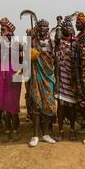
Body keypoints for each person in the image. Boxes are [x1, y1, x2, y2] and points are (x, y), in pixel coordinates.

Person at [0, 17, 22, 143]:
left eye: (3, 29)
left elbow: (22, 63)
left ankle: (14, 130)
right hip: (1, 78)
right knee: (4, 106)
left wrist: (17, 79)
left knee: (12, 105)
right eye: (1, 29)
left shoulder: (17, 45)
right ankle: (7, 131)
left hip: (14, 77)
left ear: (10, 31)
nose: (1, 31)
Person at [26, 19, 57, 147]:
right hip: (36, 76)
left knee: (48, 105)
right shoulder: (33, 41)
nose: (44, 28)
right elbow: (26, 55)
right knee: (36, 106)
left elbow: (55, 57)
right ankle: (35, 135)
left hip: (49, 76)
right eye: (41, 26)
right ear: (38, 28)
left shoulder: (52, 42)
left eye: (46, 26)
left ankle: (45, 134)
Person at [54, 15, 79, 141]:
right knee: (61, 106)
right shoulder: (59, 42)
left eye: (70, 26)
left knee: (72, 106)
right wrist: (59, 23)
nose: (68, 29)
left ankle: (73, 130)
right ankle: (61, 130)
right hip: (61, 77)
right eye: (66, 27)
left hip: (72, 78)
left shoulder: (76, 43)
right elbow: (57, 36)